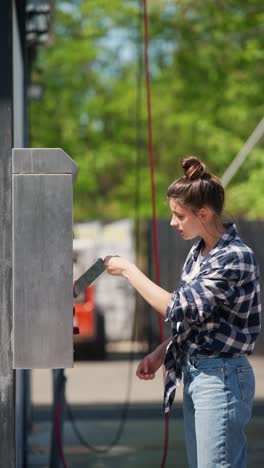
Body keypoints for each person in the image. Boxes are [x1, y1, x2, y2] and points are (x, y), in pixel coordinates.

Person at [104, 156, 261, 468]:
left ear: (203, 213)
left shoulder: (234, 257)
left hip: (222, 377)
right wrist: (164, 351)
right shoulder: (201, 252)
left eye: (179, 215)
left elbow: (177, 305)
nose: (173, 223)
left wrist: (129, 270)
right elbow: (197, 320)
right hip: (201, 372)